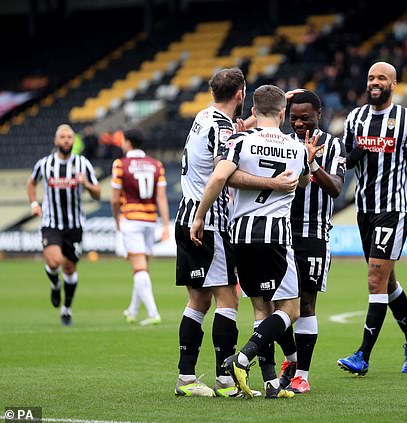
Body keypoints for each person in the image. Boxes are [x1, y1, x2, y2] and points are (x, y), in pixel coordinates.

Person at [174, 70, 297, 398]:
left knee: (198, 299)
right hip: (208, 220)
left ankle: (186, 377)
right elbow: (224, 174)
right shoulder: (223, 128)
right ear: (241, 93)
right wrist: (274, 183)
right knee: (229, 299)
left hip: (186, 214)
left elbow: (234, 134)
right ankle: (225, 380)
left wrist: (260, 118)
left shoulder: (204, 116)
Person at [337, 61, 407, 376]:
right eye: (371, 77)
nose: (375, 82)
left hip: (394, 208)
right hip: (365, 209)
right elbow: (343, 160)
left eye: (382, 78)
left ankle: (363, 354)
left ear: (394, 83)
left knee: (375, 279)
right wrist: (351, 158)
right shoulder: (355, 118)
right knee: (386, 281)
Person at [274, 90, 345, 394]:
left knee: (305, 303)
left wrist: (312, 164)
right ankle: (290, 360)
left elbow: (336, 188)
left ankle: (302, 373)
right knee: (277, 304)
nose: (300, 123)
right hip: (280, 232)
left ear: (319, 113)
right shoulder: (280, 143)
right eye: (294, 118)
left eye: (305, 117)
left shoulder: (333, 144)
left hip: (314, 233)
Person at [26, 124, 101, 326]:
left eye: (70, 137)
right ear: (56, 140)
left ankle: (66, 310)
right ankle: (54, 284)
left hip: (75, 225)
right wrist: (34, 203)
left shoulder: (82, 163)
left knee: (69, 268)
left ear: (73, 140)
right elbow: (31, 182)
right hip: (51, 222)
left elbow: (98, 193)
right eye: (63, 137)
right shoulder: (45, 163)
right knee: (53, 262)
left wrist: (85, 184)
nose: (66, 140)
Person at [111, 128, 170, 326]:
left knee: (139, 269)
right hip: (150, 220)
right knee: (143, 268)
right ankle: (133, 310)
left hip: (131, 219)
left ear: (127, 142)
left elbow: (114, 199)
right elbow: (161, 196)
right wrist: (165, 224)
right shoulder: (156, 165)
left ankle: (153, 313)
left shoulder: (120, 164)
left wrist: (116, 218)